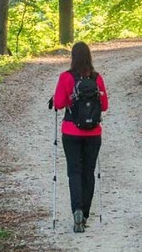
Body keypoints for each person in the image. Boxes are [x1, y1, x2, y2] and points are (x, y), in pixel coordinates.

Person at [49, 41, 109, 233]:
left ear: (73, 57)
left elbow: (58, 104)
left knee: (74, 171)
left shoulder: (66, 77)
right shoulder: (97, 78)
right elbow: (105, 106)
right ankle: (85, 214)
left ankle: (76, 210)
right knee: (88, 172)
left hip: (71, 132)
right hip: (94, 133)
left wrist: (68, 99)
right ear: (89, 56)